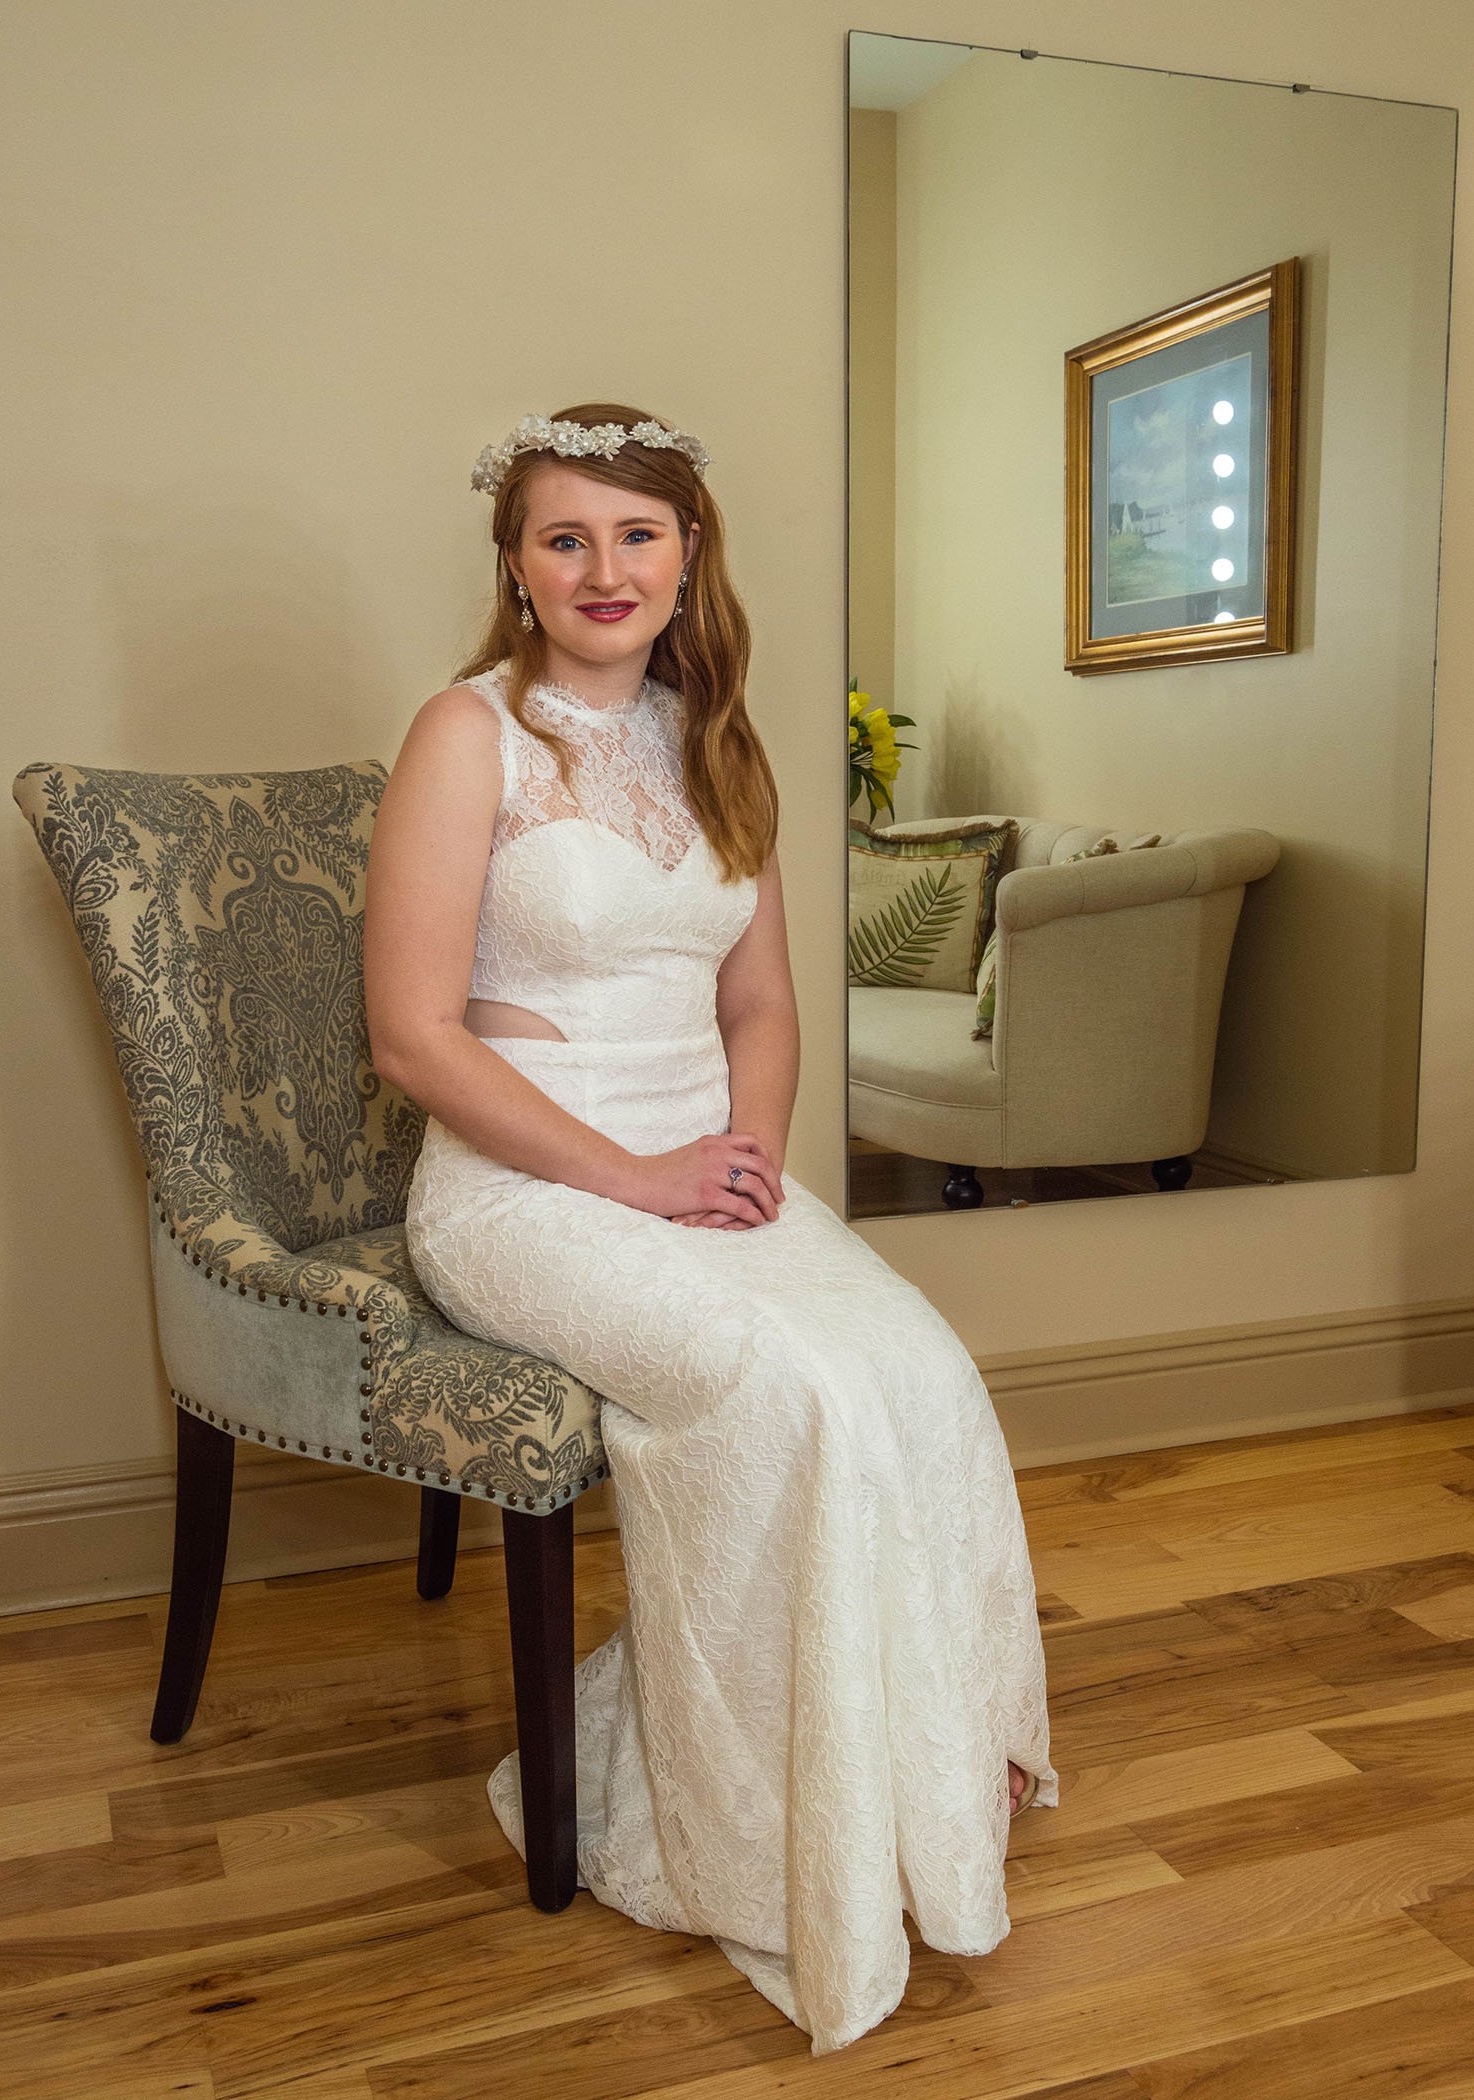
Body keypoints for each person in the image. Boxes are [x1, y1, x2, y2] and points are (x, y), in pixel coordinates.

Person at [363, 401, 1055, 2054]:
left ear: (688, 560)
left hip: (707, 1169)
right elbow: (414, 1040)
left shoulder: (719, 735)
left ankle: (918, 1777)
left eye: (638, 533)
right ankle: (741, 1837)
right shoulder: (467, 735)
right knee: (782, 1399)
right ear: (516, 568)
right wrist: (641, 1178)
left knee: (922, 1375)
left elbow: (762, 1001)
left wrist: (747, 1156)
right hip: (527, 1188)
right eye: (565, 536)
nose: (605, 567)